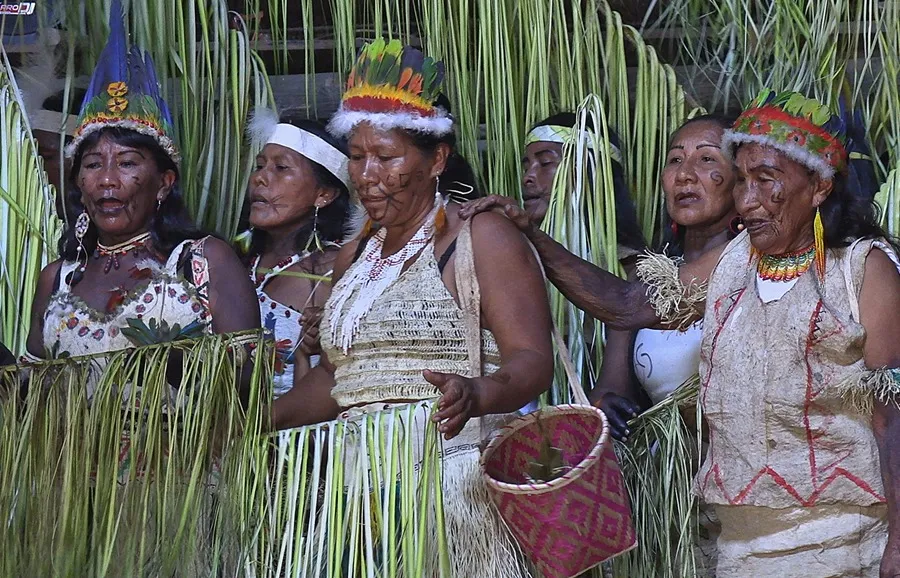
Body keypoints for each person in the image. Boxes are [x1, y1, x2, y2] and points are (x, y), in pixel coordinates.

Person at [462, 89, 900, 576]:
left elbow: (892, 415)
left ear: (819, 187)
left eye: (765, 181)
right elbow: (630, 306)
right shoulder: (735, 261)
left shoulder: (863, 269)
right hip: (738, 542)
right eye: (742, 181)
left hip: (844, 534)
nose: (747, 200)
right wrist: (531, 234)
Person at [272, 38, 554, 577]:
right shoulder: (354, 254)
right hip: (357, 501)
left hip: (449, 489)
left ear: (436, 160)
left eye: (386, 157)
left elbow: (532, 360)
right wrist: (254, 420)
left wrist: (478, 392)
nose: (366, 174)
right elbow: (337, 377)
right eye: (357, 157)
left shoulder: (479, 237)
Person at [25, 0, 258, 366]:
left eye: (127, 163)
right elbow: (32, 386)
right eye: (93, 164)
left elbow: (249, 378)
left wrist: (168, 365)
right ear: (78, 182)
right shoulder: (57, 279)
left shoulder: (202, 261)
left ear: (164, 182)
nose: (106, 180)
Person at [593, 114, 738, 440]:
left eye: (707, 158)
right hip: (666, 464)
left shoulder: (755, 265)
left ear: (741, 178)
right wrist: (606, 406)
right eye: (675, 159)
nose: (685, 174)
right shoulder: (644, 280)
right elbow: (608, 389)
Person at [242, 113, 353, 397]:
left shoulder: (335, 270)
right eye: (260, 166)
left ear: (323, 195)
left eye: (281, 168)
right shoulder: (235, 258)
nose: (260, 178)